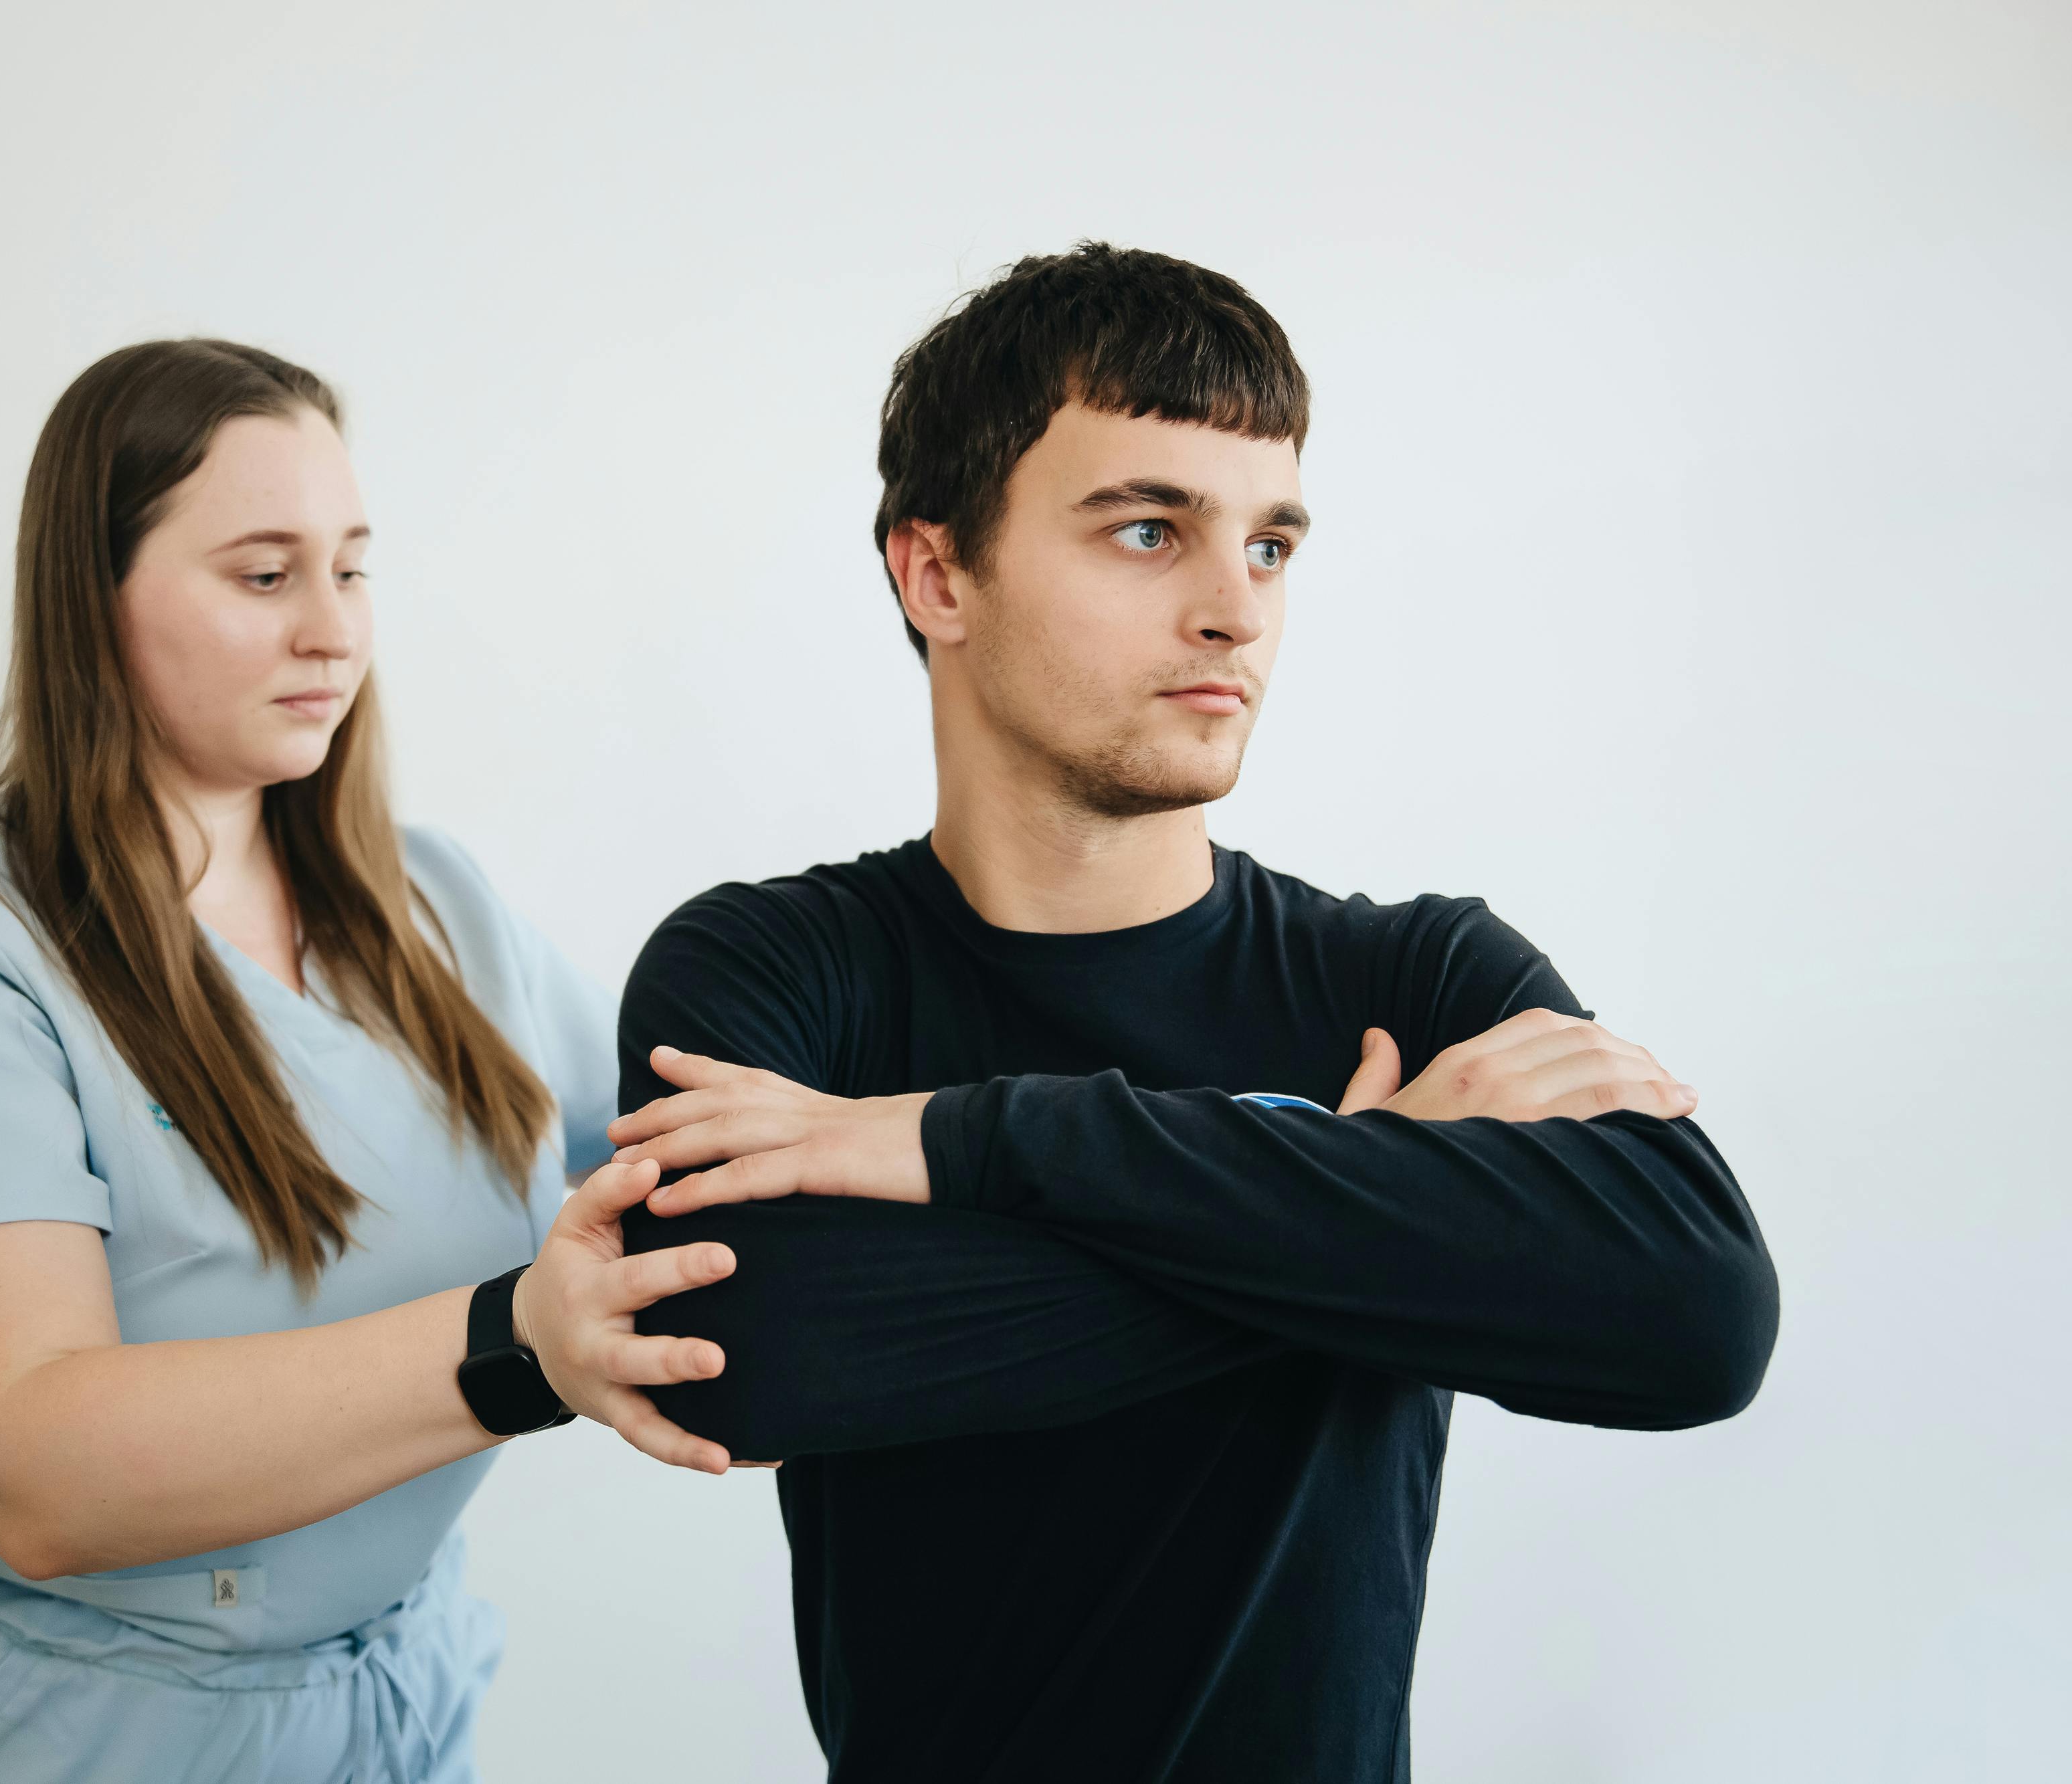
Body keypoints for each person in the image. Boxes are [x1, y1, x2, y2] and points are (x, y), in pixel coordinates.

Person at [604, 245, 1782, 1781]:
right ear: (936, 571)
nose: (1235, 608)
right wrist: (1358, 1178)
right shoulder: (780, 969)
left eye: (1271, 544)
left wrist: (973, 1141)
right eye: (1149, 531)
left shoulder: (1417, 979)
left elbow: (1694, 1319)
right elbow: (734, 1348)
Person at [0, 339, 736, 1783]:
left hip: (375, 1698)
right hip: (25, 1721)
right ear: (93, 599)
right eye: (264, 576)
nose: (333, 630)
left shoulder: (431, 902)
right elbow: (30, 1468)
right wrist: (519, 1340)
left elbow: (680, 1149)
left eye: (352, 567)